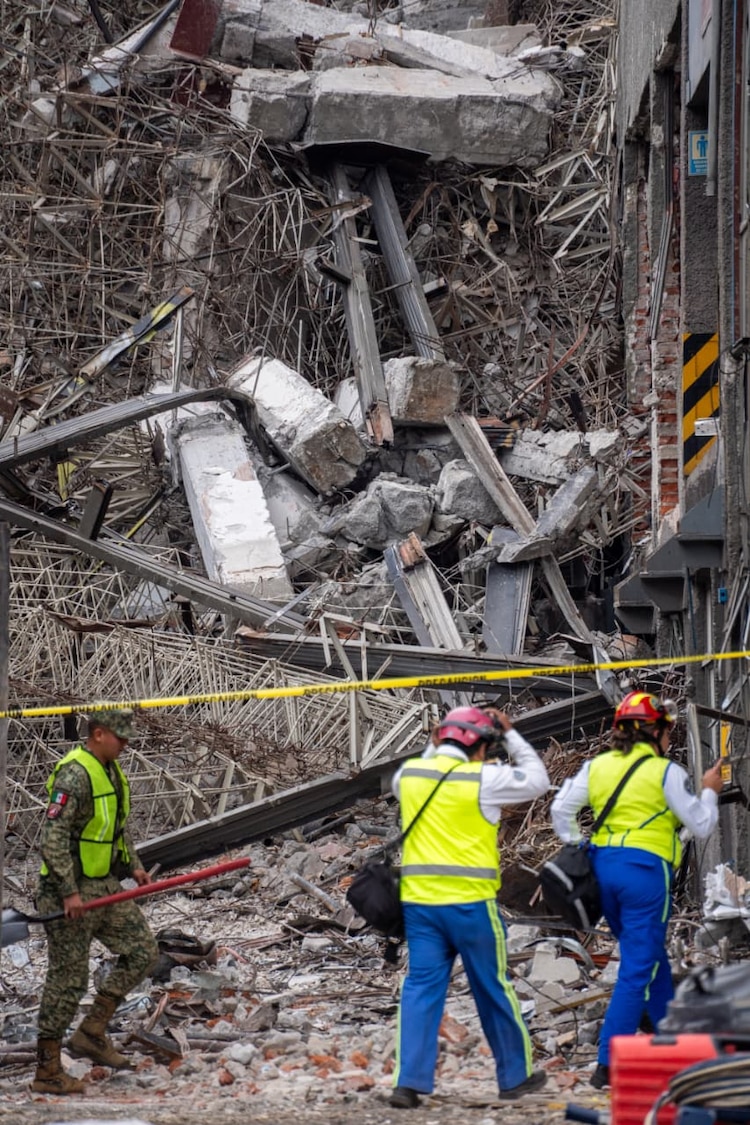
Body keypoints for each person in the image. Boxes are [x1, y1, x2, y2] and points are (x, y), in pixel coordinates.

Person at [550, 691, 723, 1090]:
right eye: (666, 730)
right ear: (655, 731)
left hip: (602, 871)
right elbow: (701, 826)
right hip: (644, 874)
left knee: (649, 957)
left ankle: (670, 1041)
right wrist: (710, 789)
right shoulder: (666, 772)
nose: (668, 738)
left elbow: (561, 810)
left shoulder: (596, 766)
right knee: (636, 969)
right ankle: (607, 1063)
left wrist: (579, 846)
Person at [389, 704, 550, 1108]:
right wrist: (510, 734)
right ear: (481, 745)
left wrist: (437, 741)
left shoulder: (409, 776)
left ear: (438, 739)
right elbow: (538, 780)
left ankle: (408, 1083)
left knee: (421, 989)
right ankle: (514, 1078)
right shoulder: (483, 778)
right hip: (470, 906)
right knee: (493, 987)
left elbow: (426, 765)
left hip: (421, 905)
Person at [32, 709, 159, 1095]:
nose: (126, 744)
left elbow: (116, 829)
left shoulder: (111, 772)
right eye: (120, 738)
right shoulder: (76, 773)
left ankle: (92, 1031)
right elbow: (52, 838)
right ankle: (48, 1071)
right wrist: (68, 892)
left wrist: (134, 866)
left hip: (104, 886)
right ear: (98, 734)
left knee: (143, 952)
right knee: (68, 980)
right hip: (67, 891)